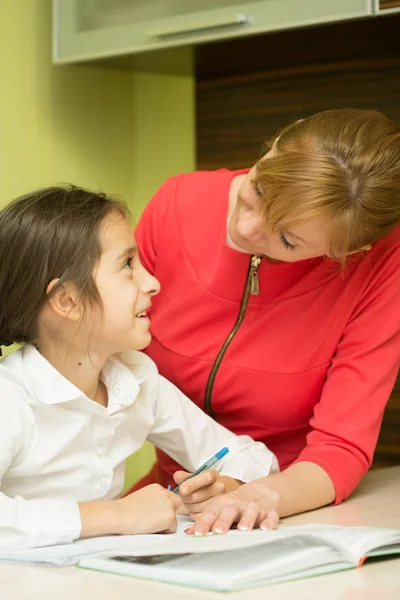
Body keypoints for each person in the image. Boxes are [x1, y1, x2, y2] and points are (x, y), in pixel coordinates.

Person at [129, 108, 400, 534]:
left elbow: (340, 447)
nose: (245, 226)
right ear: (280, 139)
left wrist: (255, 493)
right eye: (257, 189)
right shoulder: (177, 203)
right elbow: (104, 362)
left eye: (288, 239)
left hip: (287, 511)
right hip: (171, 499)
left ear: (352, 248)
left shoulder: (383, 264)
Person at [0, 186, 280, 550]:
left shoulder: (136, 376)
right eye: (128, 265)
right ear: (68, 301)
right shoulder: (11, 398)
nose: (153, 282)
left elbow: (251, 457)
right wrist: (116, 515)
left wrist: (227, 487)